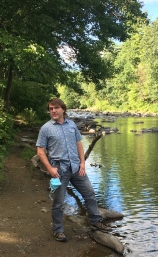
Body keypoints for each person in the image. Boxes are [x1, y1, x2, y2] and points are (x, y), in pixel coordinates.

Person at [36, 98, 112, 242]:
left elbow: (79, 145)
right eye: (51, 108)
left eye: (56, 108)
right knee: (58, 201)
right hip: (58, 171)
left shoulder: (71, 125)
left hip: (76, 168)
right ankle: (58, 230)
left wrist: (83, 163)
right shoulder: (46, 128)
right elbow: (40, 151)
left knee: (89, 194)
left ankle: (96, 222)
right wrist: (50, 169)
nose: (53, 111)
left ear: (63, 109)